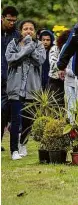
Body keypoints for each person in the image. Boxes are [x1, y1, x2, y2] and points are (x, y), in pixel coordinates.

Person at [5, 20, 46, 160]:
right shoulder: (13, 44)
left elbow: (40, 60)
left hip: (32, 88)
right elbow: (10, 59)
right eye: (25, 29)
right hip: (15, 88)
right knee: (15, 120)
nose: (28, 31)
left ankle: (23, 143)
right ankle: (14, 150)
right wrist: (25, 50)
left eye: (31, 29)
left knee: (29, 120)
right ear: (20, 31)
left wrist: (29, 47)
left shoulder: (39, 45)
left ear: (34, 31)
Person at [1, 6, 20, 151]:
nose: (12, 23)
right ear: (2, 18)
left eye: (14, 20)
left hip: (9, 79)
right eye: (9, 20)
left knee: (5, 110)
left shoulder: (17, 36)